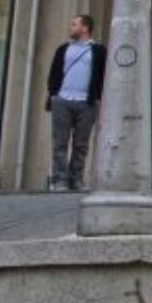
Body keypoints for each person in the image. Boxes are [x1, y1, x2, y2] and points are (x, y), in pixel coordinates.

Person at [45, 13, 106, 191]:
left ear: (85, 28)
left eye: (74, 24)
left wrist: (97, 97)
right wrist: (54, 94)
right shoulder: (63, 49)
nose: (71, 28)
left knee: (81, 144)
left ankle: (76, 179)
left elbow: (103, 75)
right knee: (60, 142)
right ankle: (59, 180)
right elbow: (54, 72)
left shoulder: (99, 51)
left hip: (86, 102)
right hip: (62, 100)